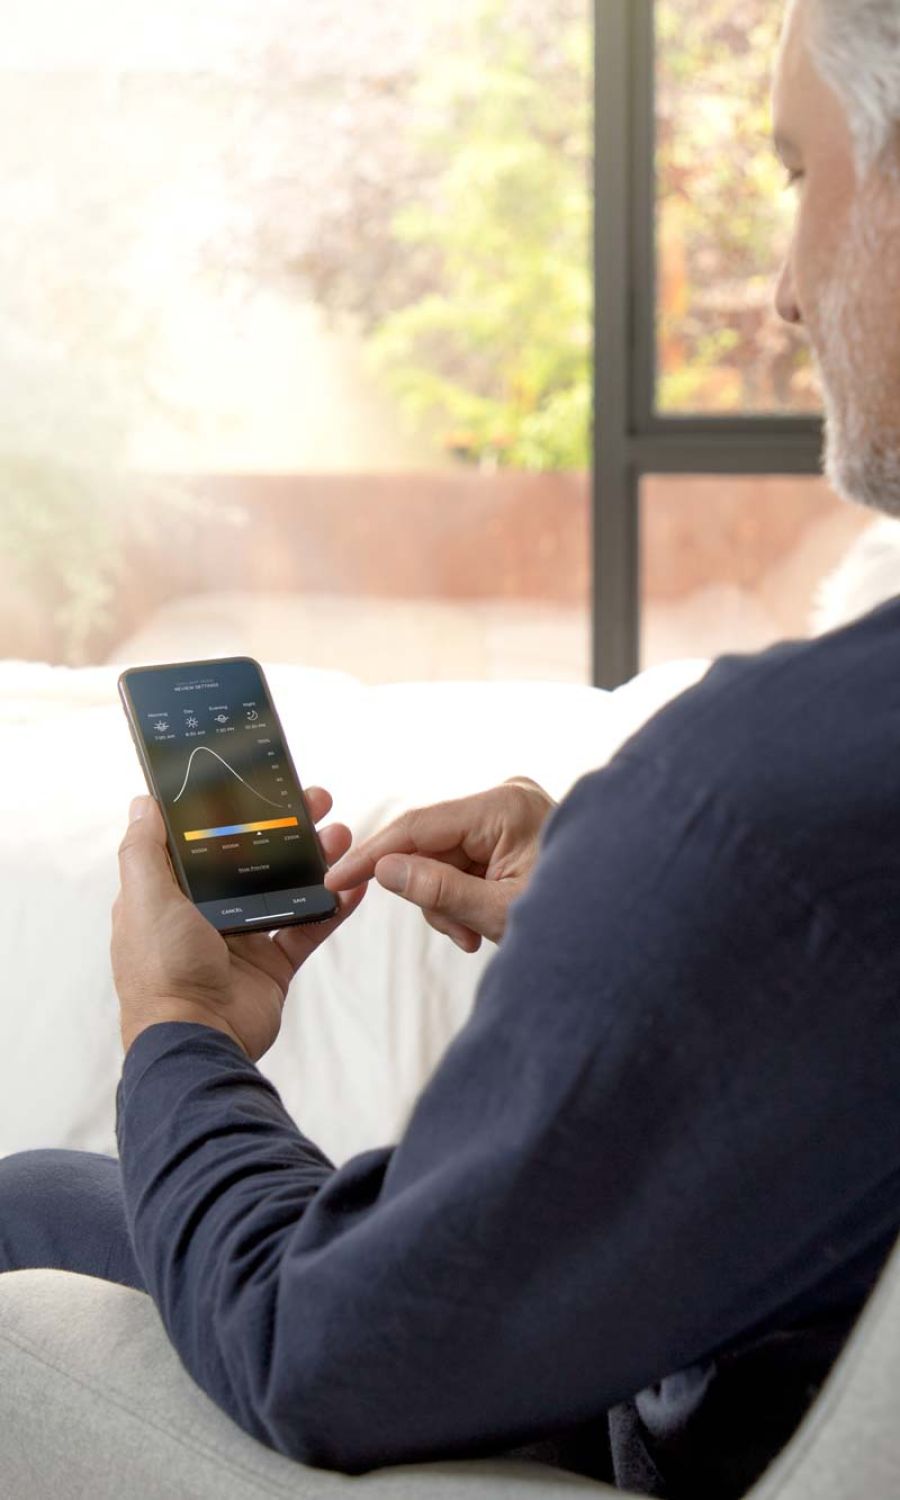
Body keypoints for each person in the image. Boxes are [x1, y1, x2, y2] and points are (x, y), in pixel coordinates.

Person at [2, 2, 900, 1496]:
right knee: (36, 1190)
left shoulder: (765, 806)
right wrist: (604, 905)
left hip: (614, 1412)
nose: (786, 289)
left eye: (803, 179)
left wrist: (179, 1026)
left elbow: (316, 1350)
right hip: (713, 1321)